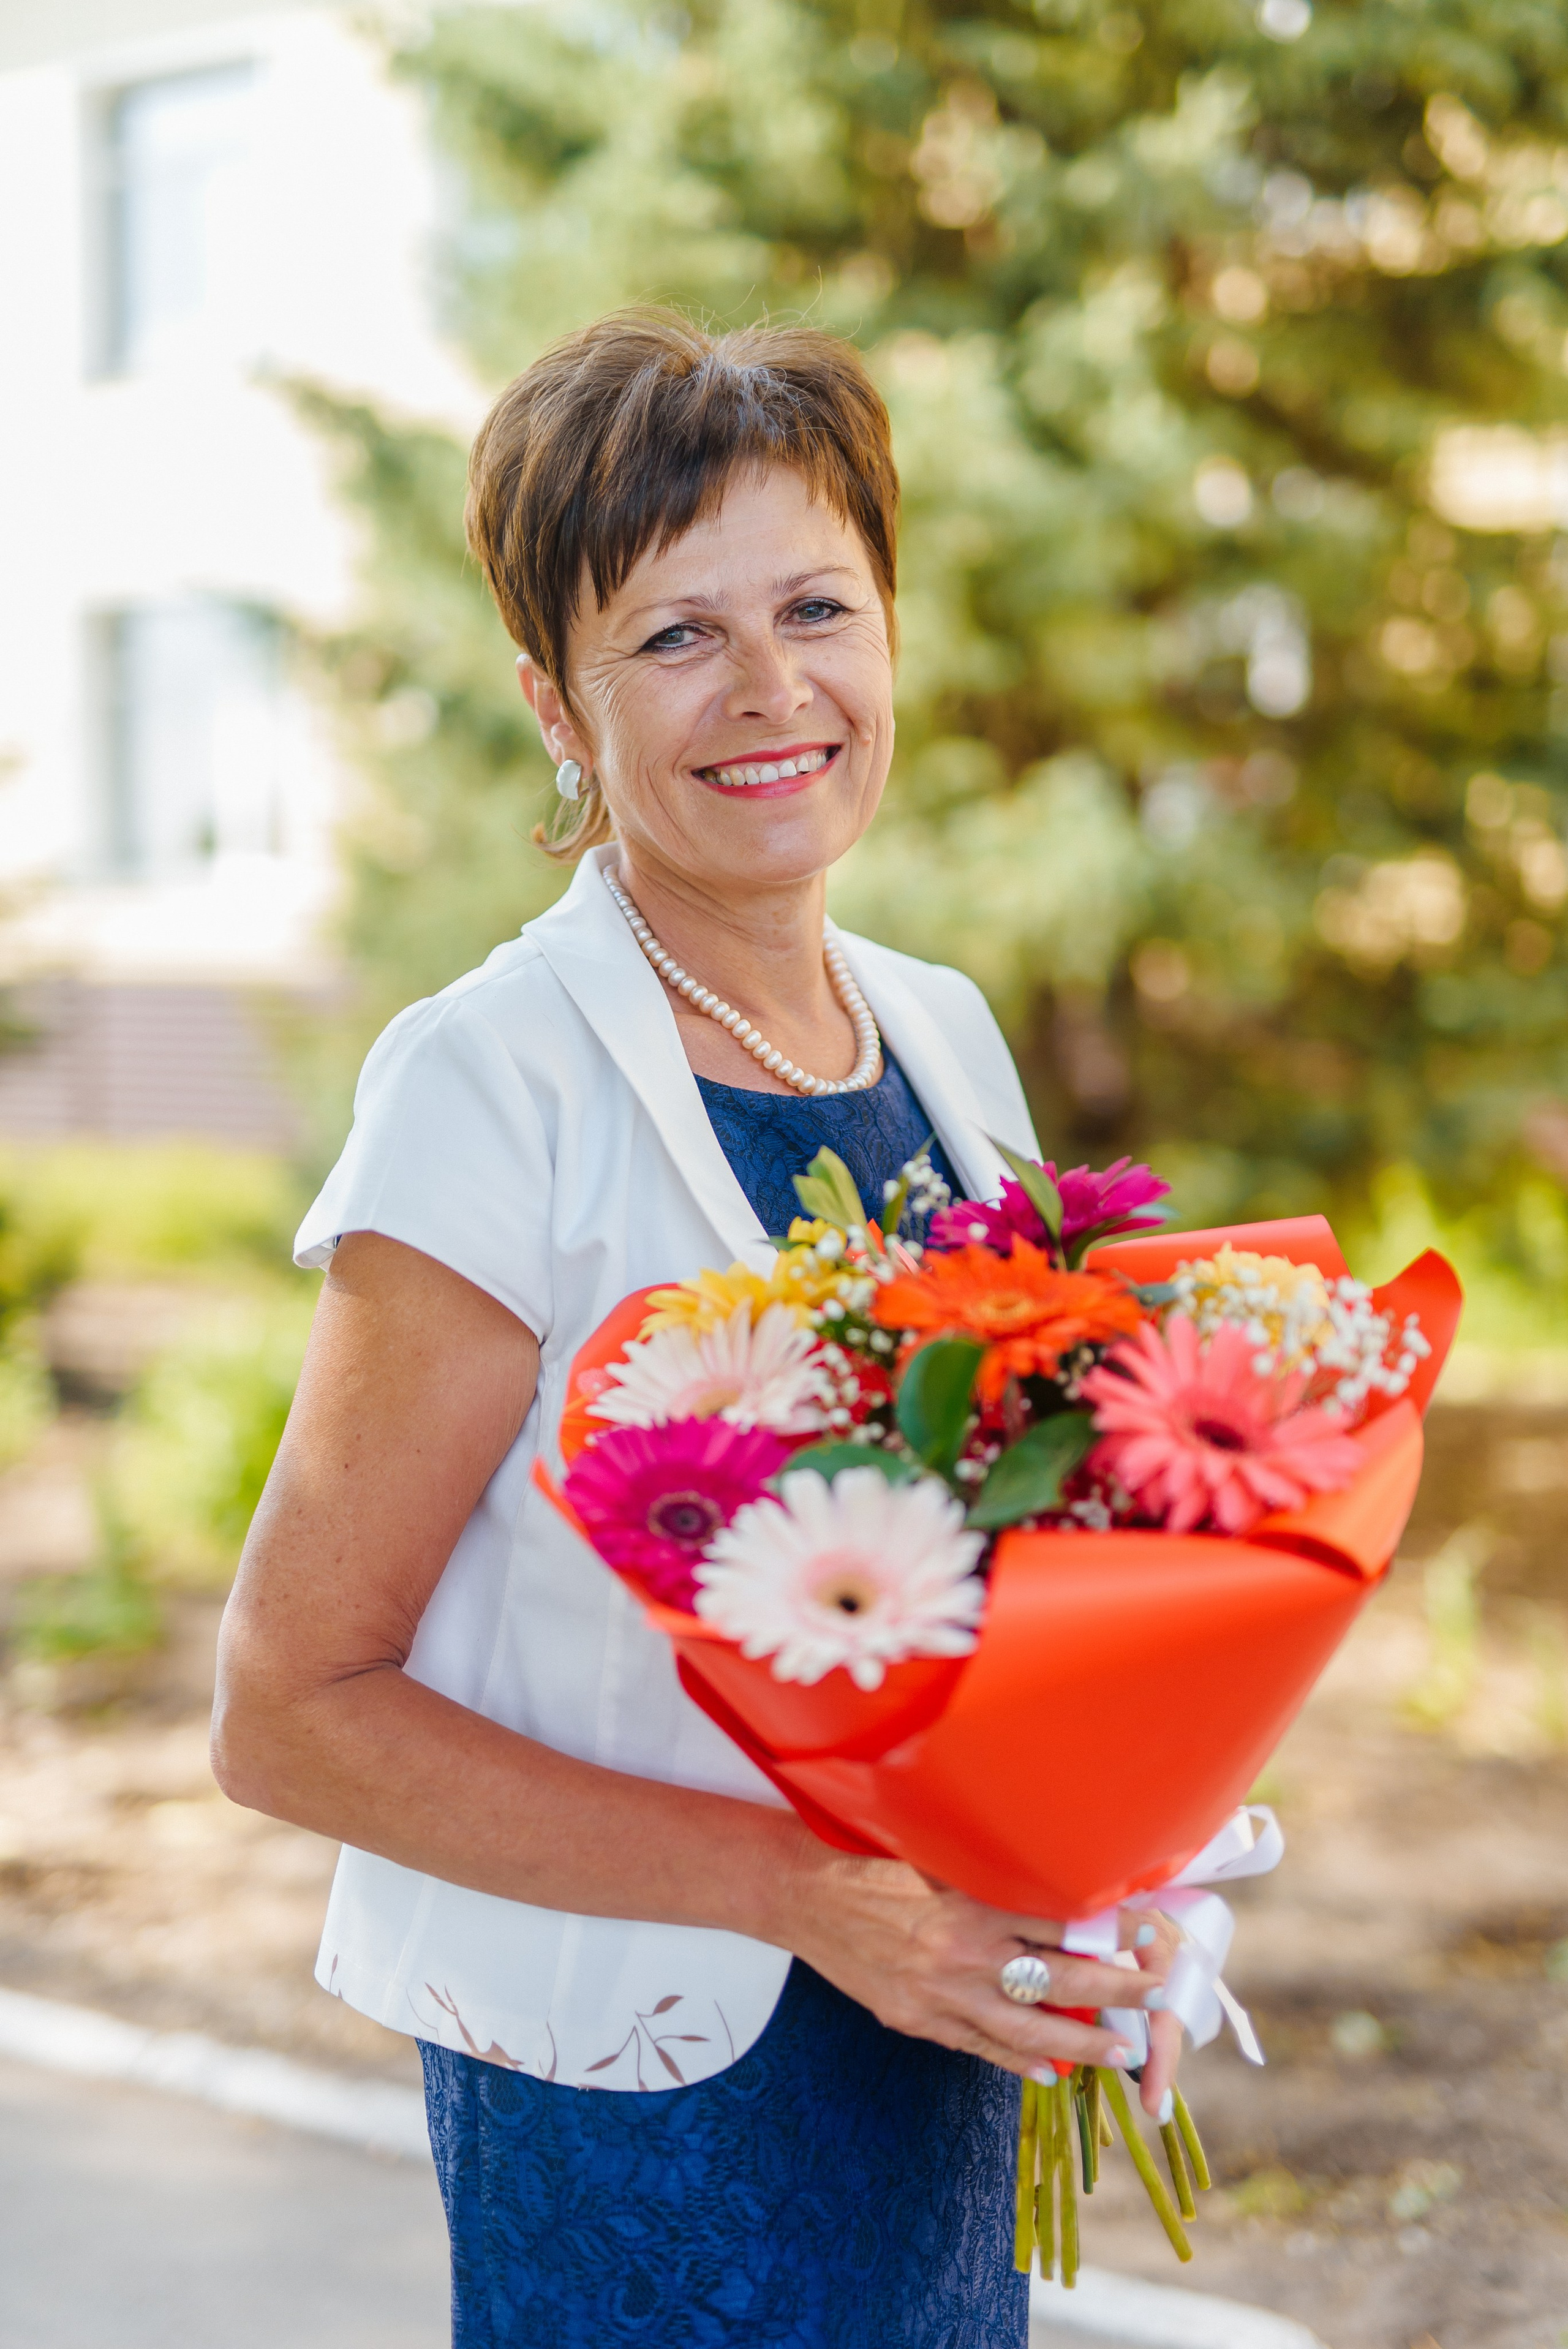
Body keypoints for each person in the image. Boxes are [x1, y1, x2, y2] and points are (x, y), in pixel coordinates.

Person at [212, 311, 1178, 2348]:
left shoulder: (945, 1036)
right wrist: (799, 1887)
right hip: (642, 2096)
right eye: (673, 636)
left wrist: (1123, 1889)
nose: (772, 691)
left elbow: (1004, 1572)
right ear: (556, 702)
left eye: (818, 606)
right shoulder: (493, 1080)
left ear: (891, 634)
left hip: (941, 2057)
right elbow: (290, 1703)